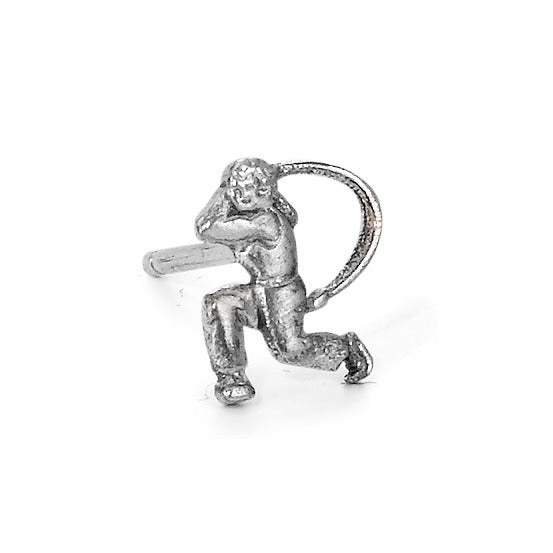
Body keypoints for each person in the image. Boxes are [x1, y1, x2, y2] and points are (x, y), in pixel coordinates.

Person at [196, 158, 372, 405]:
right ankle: (232, 378)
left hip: (282, 294)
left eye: (246, 190)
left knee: (290, 351)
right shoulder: (259, 214)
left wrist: (223, 191)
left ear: (264, 192)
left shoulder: (265, 222)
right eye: (234, 190)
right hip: (260, 289)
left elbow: (207, 228)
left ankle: (346, 349)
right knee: (219, 303)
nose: (237, 196)